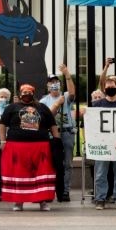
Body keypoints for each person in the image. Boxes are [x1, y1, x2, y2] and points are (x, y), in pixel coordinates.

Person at [0, 84, 58, 212]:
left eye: (29, 92)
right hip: (16, 146)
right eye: (24, 92)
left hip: (40, 146)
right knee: (18, 173)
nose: (26, 94)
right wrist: (3, 141)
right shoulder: (11, 107)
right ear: (20, 94)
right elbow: (2, 124)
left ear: (33, 93)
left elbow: (52, 125)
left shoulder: (42, 107)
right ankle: (18, 201)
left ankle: (43, 201)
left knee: (42, 173)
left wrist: (57, 141)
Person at [91, 81, 116, 210]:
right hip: (103, 144)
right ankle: (100, 199)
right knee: (101, 173)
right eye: (108, 86)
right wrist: (85, 112)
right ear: (104, 88)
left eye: (113, 86)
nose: (110, 88)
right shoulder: (97, 105)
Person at [40, 63, 76, 202]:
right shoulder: (44, 101)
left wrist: (67, 74)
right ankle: (51, 191)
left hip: (66, 132)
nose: (54, 84)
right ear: (48, 86)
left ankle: (65, 191)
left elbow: (72, 93)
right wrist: (57, 104)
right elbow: (47, 116)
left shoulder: (66, 96)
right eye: (51, 83)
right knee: (51, 163)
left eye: (56, 82)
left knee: (67, 163)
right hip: (51, 135)